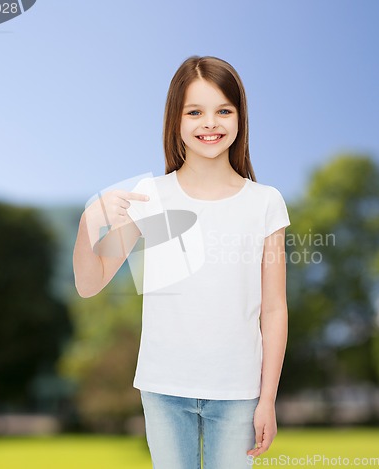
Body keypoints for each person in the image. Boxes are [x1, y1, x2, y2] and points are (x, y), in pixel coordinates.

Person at [73, 55, 291, 469]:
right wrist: (89, 223)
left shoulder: (266, 202)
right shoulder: (150, 196)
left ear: (240, 118)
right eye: (195, 112)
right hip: (163, 387)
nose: (210, 123)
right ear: (176, 120)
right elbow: (90, 281)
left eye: (223, 110)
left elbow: (275, 308)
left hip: (239, 390)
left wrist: (267, 399)